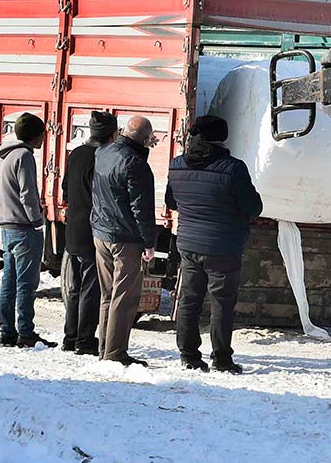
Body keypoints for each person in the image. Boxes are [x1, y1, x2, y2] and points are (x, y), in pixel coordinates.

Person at [166, 115, 263, 374]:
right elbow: (254, 207)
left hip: (188, 243)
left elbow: (171, 201)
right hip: (223, 247)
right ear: (223, 137)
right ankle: (221, 359)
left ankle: (188, 355)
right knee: (222, 303)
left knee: (189, 300)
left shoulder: (177, 165)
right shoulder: (233, 168)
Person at [91, 115, 157, 367]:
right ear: (145, 139)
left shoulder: (104, 152)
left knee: (108, 295)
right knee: (125, 297)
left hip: (101, 232)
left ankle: (104, 349)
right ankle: (115, 352)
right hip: (125, 237)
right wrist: (149, 242)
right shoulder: (135, 163)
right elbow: (142, 208)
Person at [0, 113, 56, 348]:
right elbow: (28, 193)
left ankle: (7, 331)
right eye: (42, 134)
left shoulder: (5, 155)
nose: (43, 138)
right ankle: (26, 333)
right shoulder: (24, 157)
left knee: (9, 282)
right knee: (26, 284)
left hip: (7, 225)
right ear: (34, 135)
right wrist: (37, 220)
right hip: (24, 227)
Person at [61, 111, 118, 355]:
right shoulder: (102, 158)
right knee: (90, 287)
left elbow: (65, 189)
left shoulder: (76, 154)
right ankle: (84, 340)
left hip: (73, 228)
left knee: (75, 287)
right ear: (112, 134)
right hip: (92, 229)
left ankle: (70, 336)